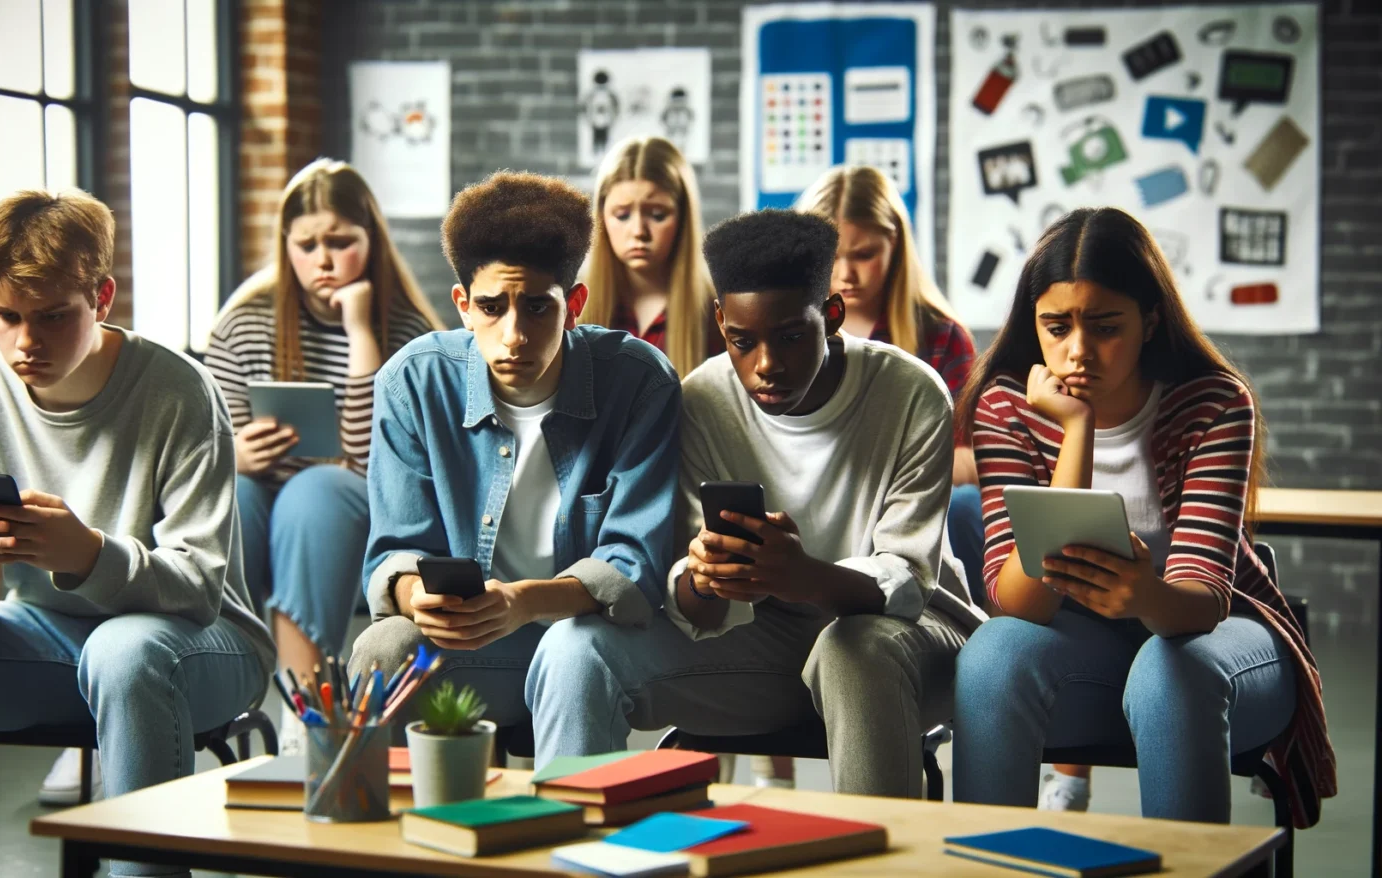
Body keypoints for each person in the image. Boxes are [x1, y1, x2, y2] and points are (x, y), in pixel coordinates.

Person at [0, 189, 274, 878]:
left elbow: (198, 586)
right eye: (4, 317)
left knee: (124, 652)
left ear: (101, 298)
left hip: (200, 643)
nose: (25, 343)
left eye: (51, 318)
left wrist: (90, 556)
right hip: (43, 637)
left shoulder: (180, 391)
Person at [525, 210, 983, 795]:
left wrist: (798, 576)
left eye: (791, 336)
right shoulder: (702, 399)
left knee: (852, 650)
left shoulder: (911, 392)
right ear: (721, 324)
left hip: (907, 640)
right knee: (576, 646)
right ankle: (568, 853)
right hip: (763, 654)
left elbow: (908, 583)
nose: (766, 364)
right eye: (743, 341)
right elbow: (700, 614)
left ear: (832, 316)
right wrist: (708, 578)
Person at [952, 207, 1334, 826]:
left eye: (1105, 327)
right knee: (993, 654)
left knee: (1167, 670)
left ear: (1151, 320)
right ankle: (987, 864)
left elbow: (1203, 602)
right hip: (1091, 654)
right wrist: (1076, 429)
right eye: (1056, 327)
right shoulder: (1007, 408)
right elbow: (1022, 604)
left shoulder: (1214, 402)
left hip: (1217, 642)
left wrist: (1142, 593)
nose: (1078, 352)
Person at [347, 171, 681, 742]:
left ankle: (568, 826)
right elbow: (395, 551)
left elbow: (637, 565)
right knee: (383, 644)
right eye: (491, 307)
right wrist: (416, 597)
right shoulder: (413, 381)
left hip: (583, 639)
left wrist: (523, 602)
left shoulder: (639, 382)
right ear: (463, 306)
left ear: (573, 303)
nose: (514, 335)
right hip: (463, 648)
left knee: (573, 647)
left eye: (535, 308)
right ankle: (368, 825)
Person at [205, 159, 444, 754]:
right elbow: (201, 448)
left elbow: (369, 465)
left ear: (372, 241)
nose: (325, 260)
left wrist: (360, 332)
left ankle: (305, 720)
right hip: (261, 495)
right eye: (307, 245)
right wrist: (234, 455)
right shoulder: (244, 323)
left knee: (315, 495)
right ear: (285, 247)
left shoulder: (408, 329)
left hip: (355, 507)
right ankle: (198, 679)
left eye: (342, 242)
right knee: (234, 492)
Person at [752, 165, 978, 790]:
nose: (848, 270)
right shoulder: (781, 339)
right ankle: (778, 774)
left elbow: (969, 456)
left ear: (896, 250)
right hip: (811, 541)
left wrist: (888, 454)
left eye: (866, 254)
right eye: (834, 255)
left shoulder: (937, 336)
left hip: (899, 547)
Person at [579, 136, 721, 379]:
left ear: (683, 218)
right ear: (602, 217)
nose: (638, 232)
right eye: (622, 215)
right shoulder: (575, 307)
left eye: (657, 214)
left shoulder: (715, 311)